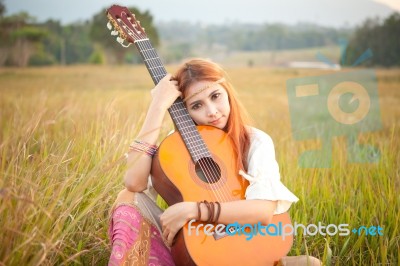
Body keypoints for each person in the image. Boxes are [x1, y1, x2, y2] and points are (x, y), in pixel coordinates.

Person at [108, 58, 321, 266]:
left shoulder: (255, 140)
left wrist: (194, 210)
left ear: (227, 91)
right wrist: (157, 106)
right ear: (185, 110)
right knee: (127, 196)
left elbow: (264, 212)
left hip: (248, 233)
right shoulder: (177, 145)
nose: (211, 111)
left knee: (312, 263)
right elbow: (134, 184)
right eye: (197, 105)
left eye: (216, 96)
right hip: (195, 240)